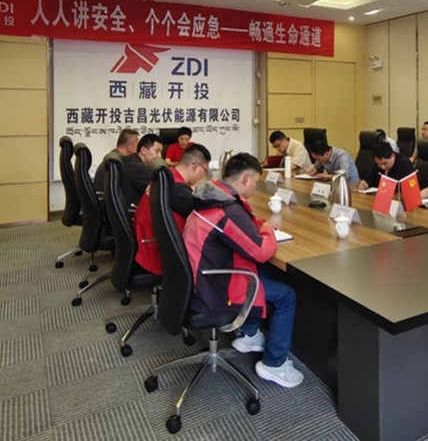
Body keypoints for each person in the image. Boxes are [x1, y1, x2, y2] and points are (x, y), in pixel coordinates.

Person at [183, 153, 304, 388]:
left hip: (201, 273)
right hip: (215, 287)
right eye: (256, 182)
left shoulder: (211, 195)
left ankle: (249, 333)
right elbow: (261, 252)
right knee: (286, 296)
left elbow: (236, 226)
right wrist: (267, 230)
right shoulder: (228, 210)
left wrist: (256, 224)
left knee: (263, 273)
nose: (255, 187)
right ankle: (274, 363)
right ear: (246, 179)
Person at [134, 144, 211, 275]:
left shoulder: (167, 176)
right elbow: (206, 221)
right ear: (195, 166)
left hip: (145, 242)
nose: (203, 175)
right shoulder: (179, 190)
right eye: (205, 171)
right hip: (158, 254)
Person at [121, 133, 163, 209]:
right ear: (143, 150)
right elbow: (162, 189)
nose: (160, 156)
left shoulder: (131, 160)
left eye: (161, 152)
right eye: (157, 151)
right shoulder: (139, 169)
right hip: (133, 211)